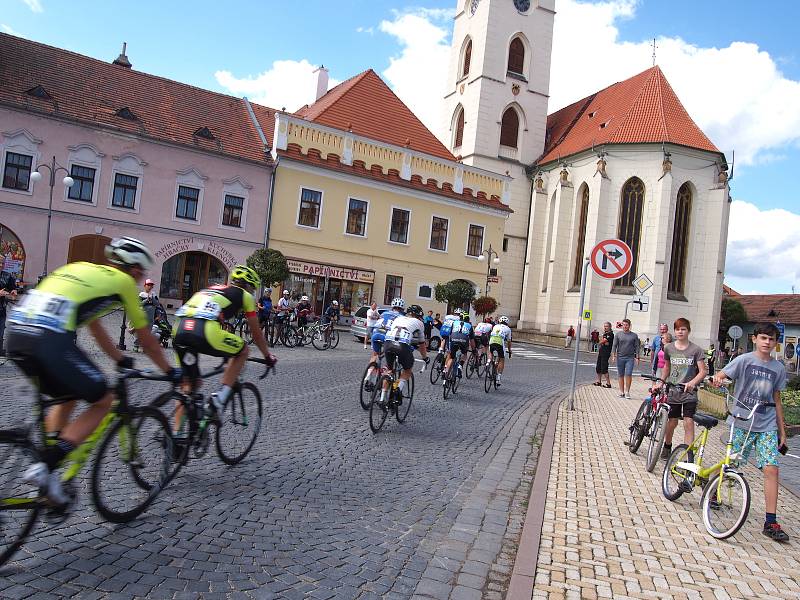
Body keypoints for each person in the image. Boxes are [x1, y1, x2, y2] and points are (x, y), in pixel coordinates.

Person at [7, 237, 180, 505]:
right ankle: (47, 464)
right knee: (104, 401)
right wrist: (170, 371)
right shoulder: (123, 283)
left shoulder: (79, 269)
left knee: (69, 394)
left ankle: (50, 459)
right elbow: (147, 340)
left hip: (16, 333)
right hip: (49, 340)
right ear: (135, 270)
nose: (141, 278)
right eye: (142, 273)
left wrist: (119, 359)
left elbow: (94, 325)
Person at [711, 322, 789, 542]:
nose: (767, 342)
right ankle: (714, 494)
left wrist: (782, 431)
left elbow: (777, 399)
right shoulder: (744, 360)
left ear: (776, 343)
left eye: (772, 339)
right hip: (742, 422)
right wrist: (718, 379)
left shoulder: (778, 368)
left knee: (772, 469)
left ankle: (770, 521)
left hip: (766, 426)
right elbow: (723, 374)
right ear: (755, 339)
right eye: (763, 338)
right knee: (731, 465)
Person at [173, 265, 276, 416]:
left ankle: (177, 435)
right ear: (248, 286)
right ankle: (219, 400)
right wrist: (267, 356)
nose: (252, 293)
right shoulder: (245, 295)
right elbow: (256, 333)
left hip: (179, 329)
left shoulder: (210, 289)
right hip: (203, 330)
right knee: (244, 350)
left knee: (189, 385)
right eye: (253, 289)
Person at [658, 318, 706, 466]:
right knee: (671, 422)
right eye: (678, 329)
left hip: (689, 392)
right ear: (674, 331)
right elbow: (667, 367)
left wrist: (692, 383)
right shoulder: (669, 348)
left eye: (683, 329)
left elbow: (703, 372)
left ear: (688, 331)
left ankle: (687, 454)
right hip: (673, 391)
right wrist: (661, 382)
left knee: (688, 422)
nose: (680, 331)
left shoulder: (696, 350)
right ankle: (667, 445)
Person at [380, 304, 429, 405]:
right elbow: (422, 344)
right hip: (402, 345)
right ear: (419, 316)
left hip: (388, 342)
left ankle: (382, 398)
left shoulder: (398, 317)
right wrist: (425, 358)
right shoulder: (419, 323)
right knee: (407, 370)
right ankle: (398, 388)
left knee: (389, 370)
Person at [363, 298, 405, 391]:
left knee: (375, 355)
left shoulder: (385, 313)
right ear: (402, 309)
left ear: (392, 306)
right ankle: (384, 375)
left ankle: (369, 373)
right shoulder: (402, 317)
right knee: (390, 358)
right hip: (387, 337)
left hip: (376, 333)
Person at [611, 318, 640, 398]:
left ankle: (627, 391)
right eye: (623, 325)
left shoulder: (634, 335)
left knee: (628, 374)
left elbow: (637, 347)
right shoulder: (618, 334)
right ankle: (621, 392)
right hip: (620, 357)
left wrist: (637, 357)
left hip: (630, 358)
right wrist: (613, 355)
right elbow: (614, 345)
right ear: (622, 325)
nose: (625, 326)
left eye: (626, 325)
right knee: (620, 375)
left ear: (629, 326)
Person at [443, 310, 474, 383]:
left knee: (451, 357)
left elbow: (449, 333)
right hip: (463, 341)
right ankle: (460, 365)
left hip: (453, 339)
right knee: (465, 353)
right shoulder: (469, 326)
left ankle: (446, 372)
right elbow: (472, 340)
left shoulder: (454, 323)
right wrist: (474, 350)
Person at [133, 278, 159, 351]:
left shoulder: (154, 294)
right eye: (148, 285)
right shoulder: (141, 294)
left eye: (151, 285)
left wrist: (152, 298)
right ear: (145, 286)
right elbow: (139, 304)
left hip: (150, 317)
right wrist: (146, 300)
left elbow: (157, 304)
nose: (150, 286)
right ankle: (136, 345)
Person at [488, 316, 513, 386]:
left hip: (492, 341)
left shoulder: (495, 326)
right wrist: (509, 350)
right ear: (507, 323)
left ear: (499, 321)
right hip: (500, 343)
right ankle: (498, 378)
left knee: (490, 352)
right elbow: (509, 341)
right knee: (502, 359)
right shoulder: (508, 329)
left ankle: (488, 362)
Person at [0, 270, 18, 356]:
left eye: (2, 263)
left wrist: (14, 291)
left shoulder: (7, 276)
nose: (0, 265)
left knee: (1, 332)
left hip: (1, 310)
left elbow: (12, 288)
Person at [593, 322, 614, 387]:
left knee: (604, 368)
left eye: (607, 326)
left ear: (610, 327)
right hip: (601, 352)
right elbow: (602, 340)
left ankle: (608, 383)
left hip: (606, 353)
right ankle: (599, 382)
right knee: (598, 367)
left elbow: (603, 341)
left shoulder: (610, 334)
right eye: (604, 326)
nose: (605, 327)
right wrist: (603, 341)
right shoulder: (605, 334)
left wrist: (601, 342)